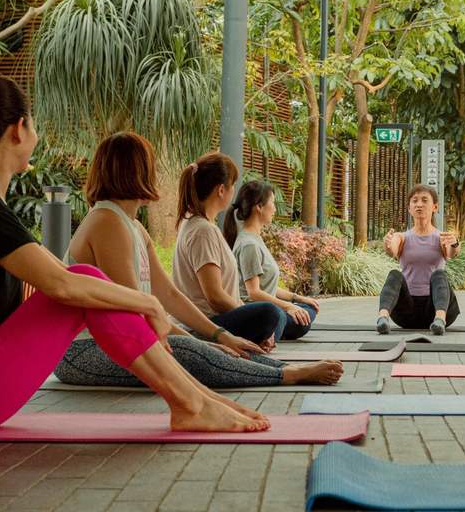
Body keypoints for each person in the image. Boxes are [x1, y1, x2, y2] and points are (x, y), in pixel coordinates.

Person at [0, 77, 268, 434]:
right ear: (19, 129)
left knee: (85, 281)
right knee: (84, 280)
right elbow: (63, 284)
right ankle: (192, 404)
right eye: (33, 124)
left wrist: (154, 307)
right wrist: (148, 304)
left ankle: (197, 400)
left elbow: (59, 283)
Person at [56, 133, 341, 388]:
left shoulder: (132, 226)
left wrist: (220, 335)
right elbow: (135, 315)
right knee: (195, 355)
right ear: (135, 171)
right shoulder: (107, 222)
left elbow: (167, 293)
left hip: (120, 343)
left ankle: (286, 369)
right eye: (150, 165)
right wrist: (198, 342)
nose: (155, 173)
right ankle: (287, 376)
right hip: (85, 351)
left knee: (227, 348)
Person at [171, 154, 284, 347]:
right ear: (221, 190)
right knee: (272, 314)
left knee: (276, 317)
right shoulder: (202, 231)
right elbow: (214, 296)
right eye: (232, 185)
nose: (234, 192)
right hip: (205, 326)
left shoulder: (197, 224)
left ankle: (262, 336)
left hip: (214, 320)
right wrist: (245, 312)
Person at [223, 180, 320, 341]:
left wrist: (297, 299)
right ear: (259, 207)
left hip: (268, 308)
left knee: (307, 308)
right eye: (272, 203)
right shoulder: (249, 244)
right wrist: (289, 307)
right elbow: (253, 293)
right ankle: (269, 332)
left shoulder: (255, 239)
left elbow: (267, 288)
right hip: (257, 312)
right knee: (298, 317)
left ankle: (274, 328)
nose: (274, 209)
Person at [377, 185, 461, 335]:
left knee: (439, 274)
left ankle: (440, 321)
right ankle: (382, 319)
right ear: (409, 208)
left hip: (435, 308)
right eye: (414, 201)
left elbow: (452, 253)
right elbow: (392, 250)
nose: (419, 204)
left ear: (434, 207)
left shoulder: (441, 237)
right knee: (394, 274)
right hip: (407, 312)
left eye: (424, 200)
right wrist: (388, 243)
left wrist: (454, 243)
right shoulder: (402, 237)